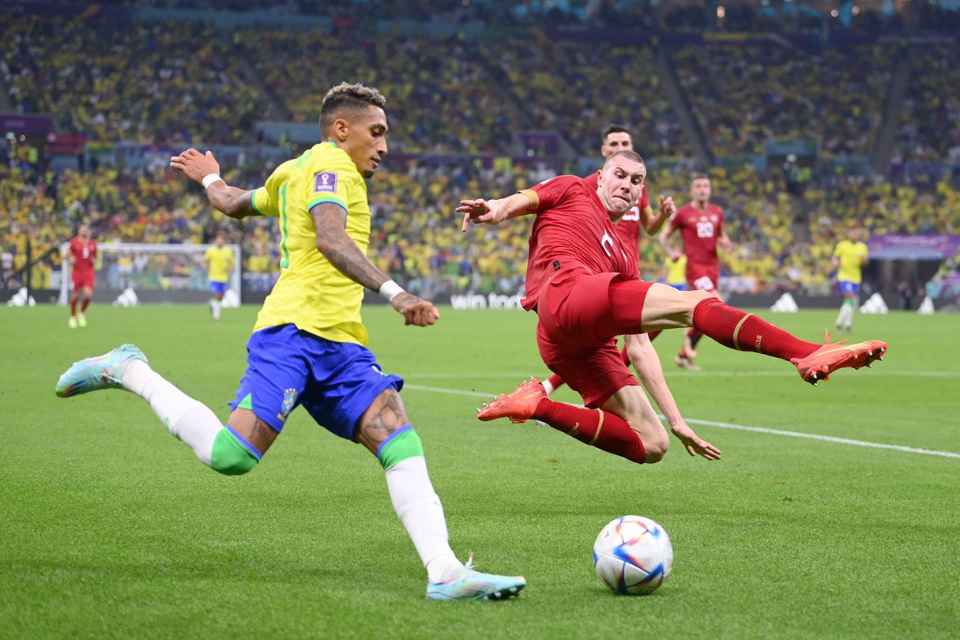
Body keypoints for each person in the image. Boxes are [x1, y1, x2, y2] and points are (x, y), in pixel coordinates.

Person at [55, 82, 525, 601]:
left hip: (343, 345)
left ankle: (445, 571)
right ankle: (129, 370)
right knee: (230, 456)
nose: (385, 146)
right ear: (341, 129)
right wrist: (396, 293)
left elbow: (235, 203)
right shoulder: (331, 168)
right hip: (292, 334)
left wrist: (209, 175)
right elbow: (329, 237)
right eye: (377, 132)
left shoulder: (292, 171)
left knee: (399, 437)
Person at [458, 151, 887, 467]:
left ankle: (536, 404)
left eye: (637, 181)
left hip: (565, 344)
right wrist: (491, 210)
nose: (627, 185)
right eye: (620, 175)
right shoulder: (572, 188)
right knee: (696, 302)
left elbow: (641, 350)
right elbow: (520, 200)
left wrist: (677, 419)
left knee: (652, 443)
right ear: (601, 176)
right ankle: (803, 352)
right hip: (565, 289)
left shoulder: (623, 259)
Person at [659, 174, 731, 370]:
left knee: (707, 309)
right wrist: (671, 252)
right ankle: (688, 346)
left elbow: (722, 236)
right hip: (695, 267)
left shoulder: (717, 212)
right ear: (692, 190)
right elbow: (663, 236)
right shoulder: (683, 213)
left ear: (710, 190)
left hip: (713, 267)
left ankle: (684, 355)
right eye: (698, 186)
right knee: (715, 301)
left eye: (706, 186)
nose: (702, 189)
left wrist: (726, 243)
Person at [833, 226, 869, 332]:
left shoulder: (862, 247)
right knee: (850, 297)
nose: (854, 235)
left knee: (850, 301)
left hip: (856, 278)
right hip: (844, 276)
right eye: (852, 233)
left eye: (856, 233)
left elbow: (865, 262)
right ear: (849, 234)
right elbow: (835, 257)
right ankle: (846, 323)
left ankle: (841, 322)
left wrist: (864, 260)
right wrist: (835, 262)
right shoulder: (842, 245)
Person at [64, 224, 97, 329]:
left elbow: (95, 257)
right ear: (79, 231)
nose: (84, 231)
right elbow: (66, 255)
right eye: (82, 230)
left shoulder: (92, 244)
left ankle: (81, 313)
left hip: (88, 272)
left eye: (86, 230)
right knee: (76, 296)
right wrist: (70, 259)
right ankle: (73, 317)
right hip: (77, 272)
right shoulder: (74, 242)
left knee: (88, 295)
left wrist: (93, 261)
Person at [204, 232, 234, 320]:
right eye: (218, 240)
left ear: (224, 241)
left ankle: (213, 304)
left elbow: (231, 262)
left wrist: (231, 269)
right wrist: (207, 268)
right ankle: (216, 314)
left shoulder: (228, 251)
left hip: (223, 277)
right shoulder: (211, 250)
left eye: (221, 240)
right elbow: (206, 260)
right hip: (214, 276)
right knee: (217, 294)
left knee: (221, 296)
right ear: (216, 241)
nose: (220, 242)